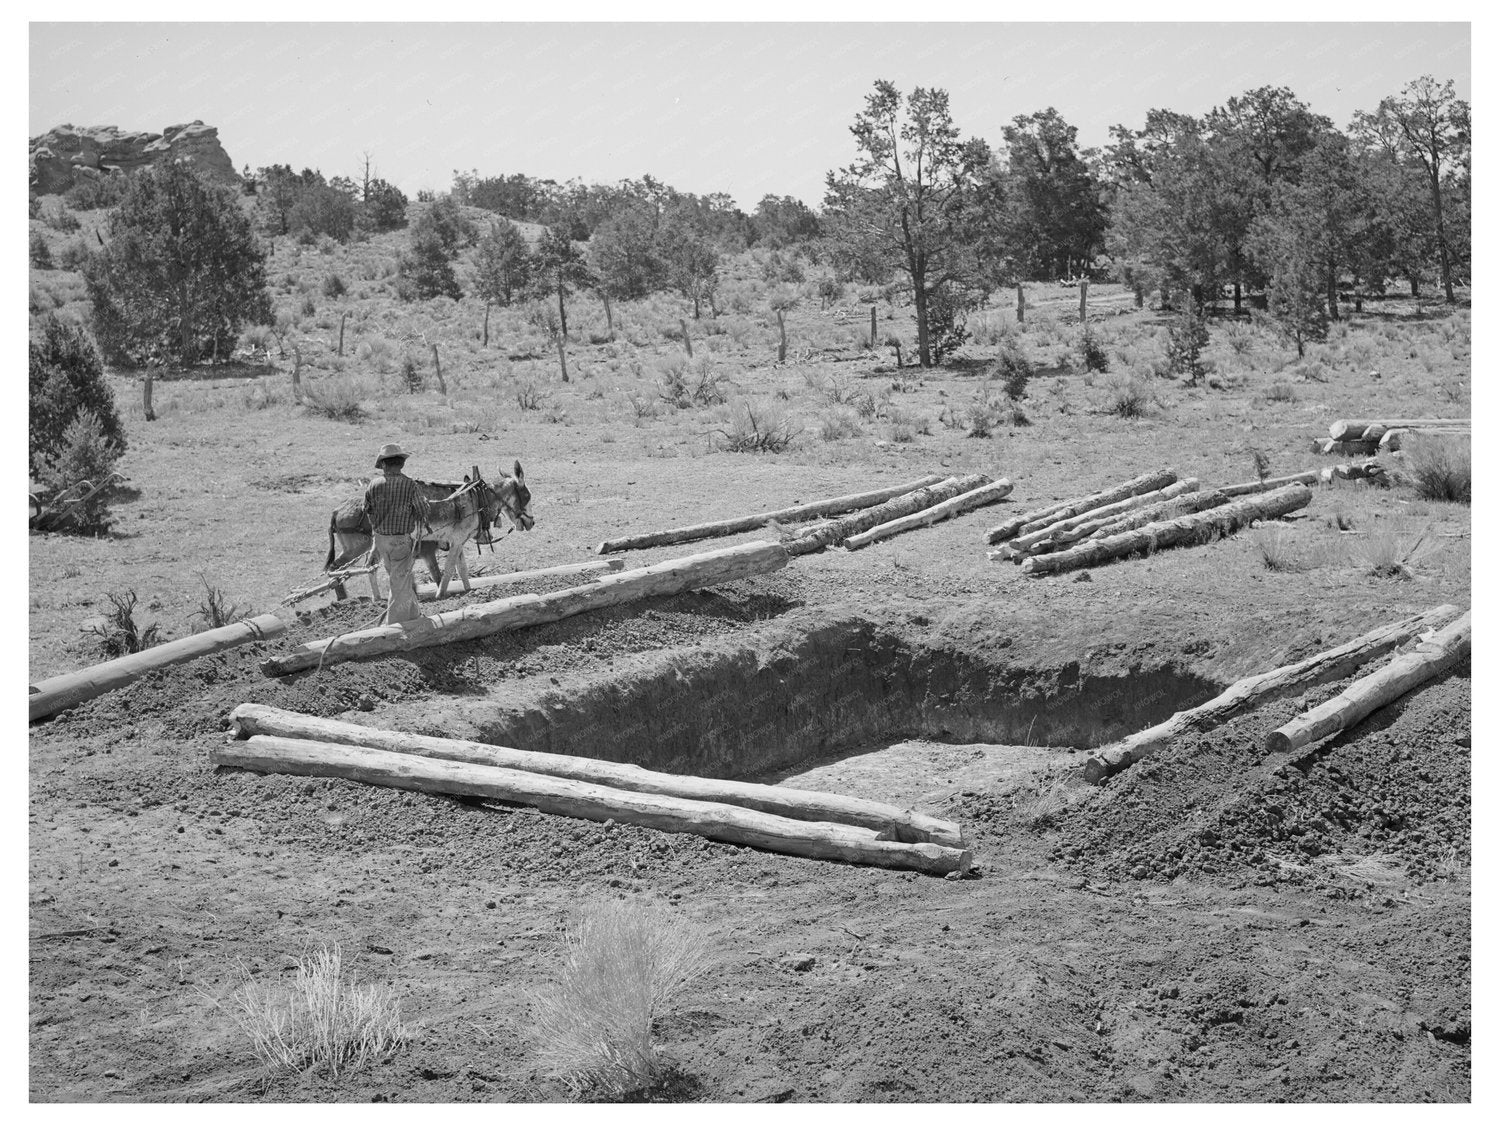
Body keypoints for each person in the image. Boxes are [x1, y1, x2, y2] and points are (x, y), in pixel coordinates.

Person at [363, 442, 429, 625]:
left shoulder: (373, 485)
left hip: (381, 540)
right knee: (399, 583)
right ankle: (394, 626)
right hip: (400, 541)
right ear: (401, 463)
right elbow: (423, 510)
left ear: (383, 464)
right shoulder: (410, 485)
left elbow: (368, 511)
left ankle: (413, 616)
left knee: (400, 579)